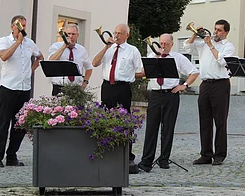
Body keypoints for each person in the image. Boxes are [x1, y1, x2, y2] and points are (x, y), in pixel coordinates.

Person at [138, 34, 199, 172]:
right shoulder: (151, 56)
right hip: (155, 94)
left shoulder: (177, 58)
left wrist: (184, 85)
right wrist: (155, 57)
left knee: (168, 128)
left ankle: (164, 159)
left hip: (170, 94)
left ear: (172, 44)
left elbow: (194, 72)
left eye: (166, 43)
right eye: (161, 43)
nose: (163, 46)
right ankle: (146, 161)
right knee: (151, 128)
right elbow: (143, 72)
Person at [0, 15, 44, 167]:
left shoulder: (30, 43)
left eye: (23, 26)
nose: (21, 28)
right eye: (18, 26)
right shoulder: (4, 41)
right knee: (3, 123)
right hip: (8, 87)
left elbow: (40, 56)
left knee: (20, 125)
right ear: (12, 26)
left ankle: (11, 156)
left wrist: (31, 70)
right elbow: (3, 56)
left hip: (24, 88)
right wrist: (18, 42)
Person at [92, 23, 143, 174]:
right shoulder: (109, 49)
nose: (116, 36)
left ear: (127, 35)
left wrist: (128, 74)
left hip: (122, 87)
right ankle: (106, 150)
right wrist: (106, 47)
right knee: (105, 118)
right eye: (115, 33)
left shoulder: (132, 50)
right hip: (107, 86)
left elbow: (140, 70)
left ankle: (126, 154)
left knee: (124, 120)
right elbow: (95, 63)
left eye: (120, 33)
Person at [183, 19, 234, 166]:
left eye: (219, 30)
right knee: (204, 121)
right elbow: (187, 47)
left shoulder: (228, 46)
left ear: (226, 32)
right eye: (215, 29)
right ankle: (205, 154)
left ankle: (219, 155)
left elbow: (222, 61)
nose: (216, 32)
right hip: (205, 85)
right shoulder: (203, 44)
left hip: (221, 84)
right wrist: (194, 33)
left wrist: (211, 45)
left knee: (220, 121)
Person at [48, 24, 93, 96]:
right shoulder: (56, 46)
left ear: (77, 35)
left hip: (76, 87)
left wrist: (85, 82)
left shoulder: (81, 50)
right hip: (59, 87)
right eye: (68, 34)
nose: (71, 36)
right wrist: (64, 47)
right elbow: (51, 61)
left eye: (73, 34)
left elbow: (89, 67)